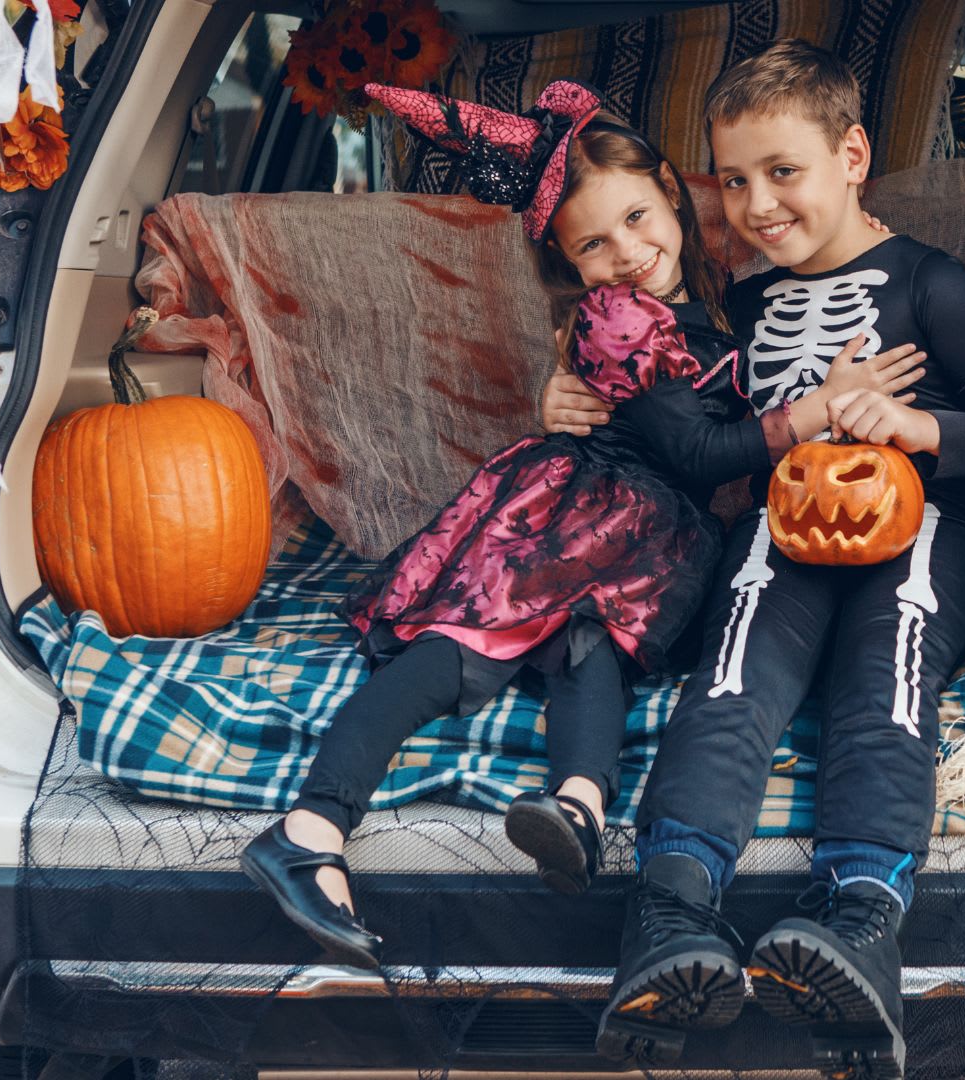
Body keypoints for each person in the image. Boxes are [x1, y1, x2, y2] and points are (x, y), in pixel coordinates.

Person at [238, 78, 928, 971]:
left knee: (593, 648)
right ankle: (310, 827)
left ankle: (575, 808)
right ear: (570, 265)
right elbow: (694, 454)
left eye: (639, 219)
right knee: (456, 654)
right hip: (580, 511)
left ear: (673, 195)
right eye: (594, 246)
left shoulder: (713, 292)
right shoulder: (620, 320)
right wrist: (815, 412)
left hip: (644, 543)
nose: (628, 252)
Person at [547, 42, 965, 1074]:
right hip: (783, 528)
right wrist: (563, 400)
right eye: (735, 181)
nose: (756, 204)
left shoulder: (933, 289)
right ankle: (666, 918)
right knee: (735, 674)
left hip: (926, 525)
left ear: (851, 156)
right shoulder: (735, 312)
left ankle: (860, 922)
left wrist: (924, 429)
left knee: (887, 668)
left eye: (782, 172)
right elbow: (683, 440)